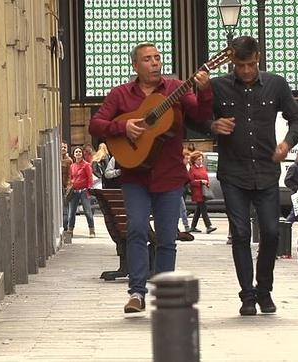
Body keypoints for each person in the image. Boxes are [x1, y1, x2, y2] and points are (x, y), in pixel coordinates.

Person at [89, 42, 212, 313]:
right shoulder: (121, 95)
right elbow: (96, 124)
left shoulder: (175, 89)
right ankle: (136, 292)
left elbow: (202, 116)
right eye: (147, 59)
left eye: (157, 58)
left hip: (169, 176)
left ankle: (165, 295)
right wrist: (124, 126)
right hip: (135, 176)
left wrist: (204, 91)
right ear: (135, 65)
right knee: (135, 229)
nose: (155, 63)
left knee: (168, 237)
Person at [210, 36, 298, 316]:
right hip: (233, 172)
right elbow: (193, 117)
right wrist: (212, 125)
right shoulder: (218, 88)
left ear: (258, 58)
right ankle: (247, 296)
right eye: (241, 66)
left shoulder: (276, 84)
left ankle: (264, 290)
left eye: (251, 64)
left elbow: (296, 118)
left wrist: (287, 143)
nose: (247, 71)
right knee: (240, 233)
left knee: (272, 232)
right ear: (232, 63)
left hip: (265, 170)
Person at [67, 146, 95, 238]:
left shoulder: (86, 165)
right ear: (74, 155)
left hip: (84, 191)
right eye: (76, 152)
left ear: (82, 154)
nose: (78, 153)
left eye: (79, 152)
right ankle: (70, 231)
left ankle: (92, 230)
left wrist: (89, 190)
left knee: (87, 211)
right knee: (71, 213)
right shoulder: (72, 166)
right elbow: (71, 178)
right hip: (74, 191)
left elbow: (90, 179)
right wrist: (70, 186)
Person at [187, 151, 217, 234]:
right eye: (198, 159)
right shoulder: (192, 169)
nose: (200, 161)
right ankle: (208, 226)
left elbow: (206, 177)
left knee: (198, 209)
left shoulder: (203, 167)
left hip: (203, 191)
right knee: (203, 209)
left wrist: (207, 182)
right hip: (197, 192)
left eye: (201, 159)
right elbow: (191, 182)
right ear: (194, 160)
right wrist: (200, 181)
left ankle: (193, 226)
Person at [60, 142, 73, 232]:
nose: (63, 149)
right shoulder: (56, 159)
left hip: (64, 186)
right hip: (58, 185)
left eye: (65, 147)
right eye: (62, 147)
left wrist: (68, 185)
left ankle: (65, 225)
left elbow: (70, 174)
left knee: (65, 206)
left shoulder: (69, 161)